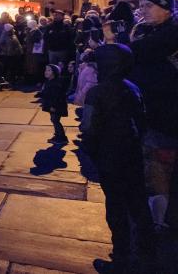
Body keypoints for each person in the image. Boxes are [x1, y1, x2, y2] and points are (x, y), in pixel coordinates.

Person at [83, 44, 154, 273]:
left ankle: (121, 259)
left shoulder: (97, 92)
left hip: (110, 156)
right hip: (132, 154)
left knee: (116, 208)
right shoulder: (132, 87)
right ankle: (146, 252)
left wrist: (92, 153)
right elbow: (142, 122)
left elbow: (89, 128)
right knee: (138, 204)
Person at [129, 0, 178, 230]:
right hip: (155, 113)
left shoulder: (170, 34)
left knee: (160, 168)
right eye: (142, 6)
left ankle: (160, 222)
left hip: (165, 115)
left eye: (149, 6)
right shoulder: (153, 31)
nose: (143, 10)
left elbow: (137, 53)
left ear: (166, 8)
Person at [37, 64, 68, 145]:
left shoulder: (56, 84)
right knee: (54, 120)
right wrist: (41, 94)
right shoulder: (49, 81)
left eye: (49, 70)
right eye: (46, 70)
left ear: (54, 72)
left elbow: (57, 96)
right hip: (51, 105)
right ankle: (57, 135)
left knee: (55, 120)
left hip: (56, 106)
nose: (46, 72)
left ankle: (62, 137)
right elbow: (48, 93)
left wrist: (53, 106)